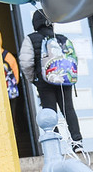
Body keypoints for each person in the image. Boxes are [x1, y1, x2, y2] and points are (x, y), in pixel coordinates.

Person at [18, 9, 83, 150]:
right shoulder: (62, 38)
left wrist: (33, 80)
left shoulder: (31, 38)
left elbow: (26, 63)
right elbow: (74, 59)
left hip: (44, 81)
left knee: (50, 112)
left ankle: (56, 146)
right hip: (64, 80)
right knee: (69, 109)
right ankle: (77, 143)